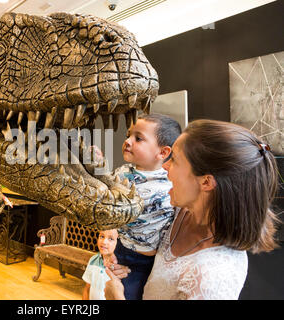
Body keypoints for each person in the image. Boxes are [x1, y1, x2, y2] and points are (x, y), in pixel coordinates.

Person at [105, 119, 280, 300]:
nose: (165, 166)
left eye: (175, 160)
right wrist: (122, 261)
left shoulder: (213, 279)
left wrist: (115, 297)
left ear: (206, 182)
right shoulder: (180, 212)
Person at [108, 113, 182, 300]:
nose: (128, 141)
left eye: (138, 138)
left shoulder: (171, 182)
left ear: (163, 153)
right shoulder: (121, 173)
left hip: (149, 261)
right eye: (128, 135)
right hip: (120, 251)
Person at [82, 229, 118, 300]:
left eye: (111, 239)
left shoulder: (120, 268)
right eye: (102, 236)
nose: (104, 242)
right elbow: (87, 288)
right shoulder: (93, 260)